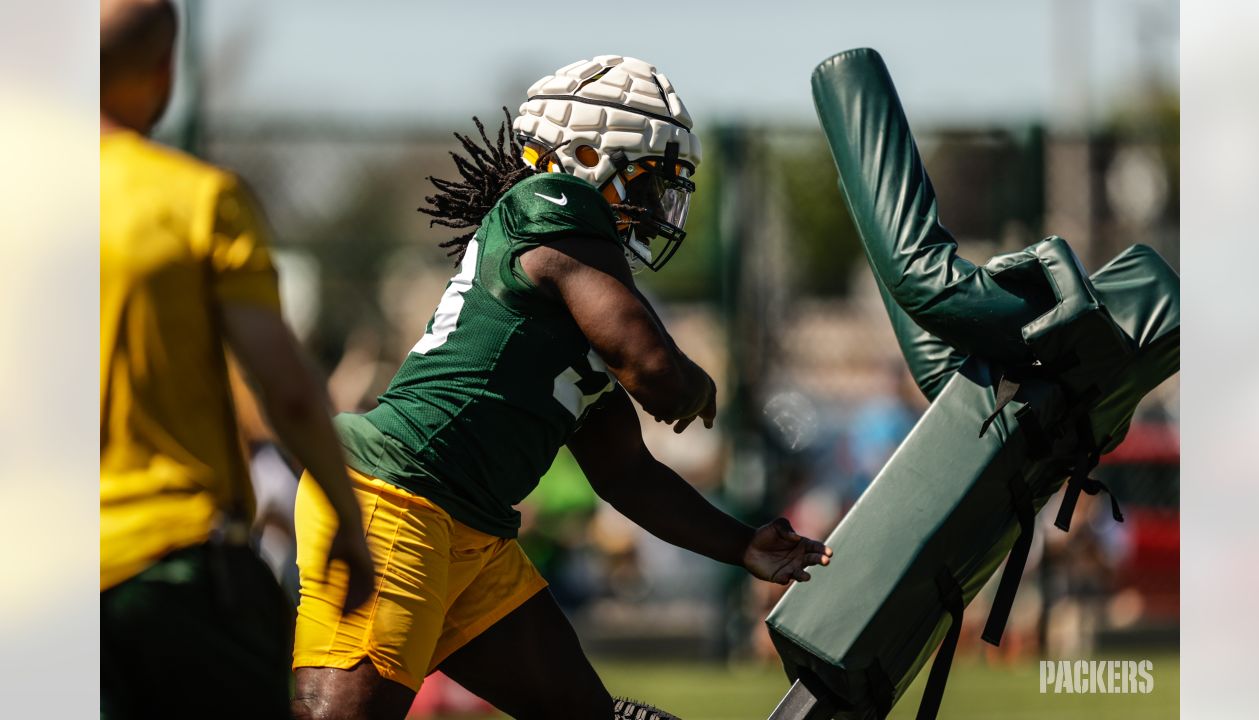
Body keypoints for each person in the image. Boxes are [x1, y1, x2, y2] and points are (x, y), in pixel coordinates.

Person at [291, 55, 833, 720]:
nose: (659, 207)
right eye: (650, 181)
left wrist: (741, 544)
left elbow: (628, 474)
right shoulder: (550, 203)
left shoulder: (570, 305)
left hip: (469, 527)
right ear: (585, 157)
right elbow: (654, 372)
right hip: (395, 497)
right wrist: (697, 382)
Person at [99, 1, 375, 716]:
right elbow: (284, 387)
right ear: (163, 74)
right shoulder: (195, 200)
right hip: (174, 572)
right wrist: (347, 516)